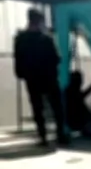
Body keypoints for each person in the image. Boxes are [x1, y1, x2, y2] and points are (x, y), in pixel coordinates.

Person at [14, 8, 68, 146]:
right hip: (48, 76)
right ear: (40, 22)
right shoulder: (46, 39)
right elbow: (55, 58)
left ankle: (42, 136)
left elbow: (18, 58)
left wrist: (21, 73)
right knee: (56, 106)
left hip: (32, 77)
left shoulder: (21, 39)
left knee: (37, 107)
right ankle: (61, 134)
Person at [65, 71, 91, 135]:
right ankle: (86, 128)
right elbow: (83, 95)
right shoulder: (72, 92)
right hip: (75, 122)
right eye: (80, 80)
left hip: (71, 122)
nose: (81, 82)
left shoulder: (69, 91)